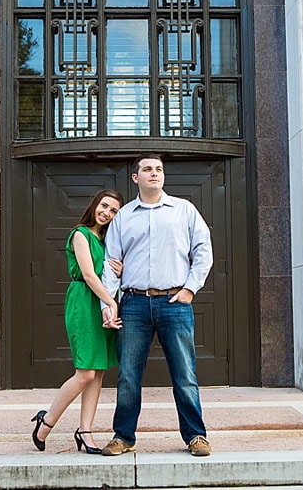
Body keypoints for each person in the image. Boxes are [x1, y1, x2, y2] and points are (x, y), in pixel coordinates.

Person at [99, 153, 214, 457]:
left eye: (159, 169)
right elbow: (111, 265)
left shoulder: (184, 211)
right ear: (135, 177)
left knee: (185, 374)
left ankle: (195, 436)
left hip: (174, 303)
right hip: (133, 305)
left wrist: (190, 289)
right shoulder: (123, 216)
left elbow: (203, 250)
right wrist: (108, 305)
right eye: (147, 169)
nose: (154, 173)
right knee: (127, 376)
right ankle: (123, 436)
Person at [31, 189, 124, 454]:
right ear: (94, 205)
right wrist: (111, 302)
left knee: (98, 371)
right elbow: (88, 274)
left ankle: (85, 431)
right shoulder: (81, 234)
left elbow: (106, 273)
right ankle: (46, 422)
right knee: (85, 373)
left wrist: (119, 269)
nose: (107, 213)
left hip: (101, 301)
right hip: (84, 300)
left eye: (114, 210)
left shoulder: (106, 240)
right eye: (104, 206)